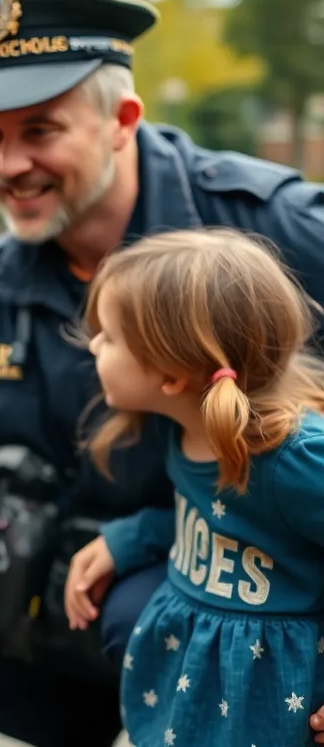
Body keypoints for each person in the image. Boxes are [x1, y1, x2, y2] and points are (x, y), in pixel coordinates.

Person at [0, 0, 324, 747]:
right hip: (82, 552)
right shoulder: (0, 284)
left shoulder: (270, 230)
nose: (8, 162)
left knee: (153, 616)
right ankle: (98, 725)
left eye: (39, 130)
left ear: (123, 120)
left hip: (242, 578)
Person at [66, 228, 324, 746]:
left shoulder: (292, 458)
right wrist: (130, 539)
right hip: (203, 685)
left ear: (171, 374)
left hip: (274, 702)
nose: (94, 344)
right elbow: (221, 520)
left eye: (110, 337)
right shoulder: (185, 428)